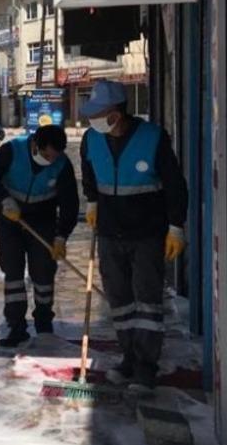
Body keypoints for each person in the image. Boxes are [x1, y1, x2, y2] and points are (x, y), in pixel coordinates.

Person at [80, 79, 188, 395]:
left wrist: (176, 226)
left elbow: (175, 185)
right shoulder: (91, 139)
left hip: (147, 234)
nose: (93, 119)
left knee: (148, 303)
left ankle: (145, 369)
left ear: (116, 112)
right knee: (121, 302)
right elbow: (88, 174)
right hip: (110, 233)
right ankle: (128, 357)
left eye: (99, 113)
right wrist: (92, 201)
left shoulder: (153, 138)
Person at [0, 124, 79, 350]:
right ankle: (16, 327)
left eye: (54, 157)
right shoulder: (12, 150)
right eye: (46, 155)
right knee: (13, 272)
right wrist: (4, 199)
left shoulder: (62, 165)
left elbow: (70, 204)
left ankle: (44, 322)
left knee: (43, 271)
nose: (49, 160)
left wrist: (62, 236)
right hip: (10, 217)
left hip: (43, 220)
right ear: (35, 144)